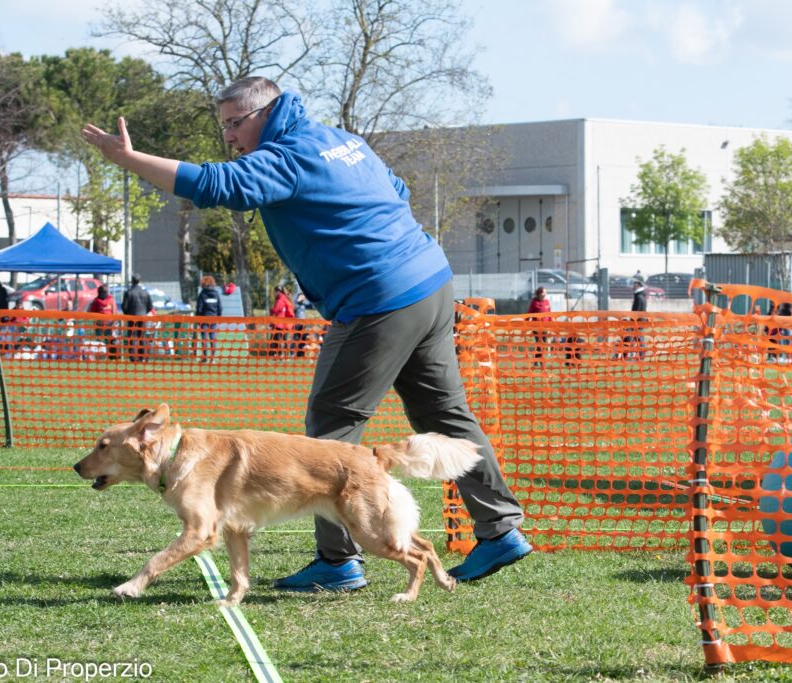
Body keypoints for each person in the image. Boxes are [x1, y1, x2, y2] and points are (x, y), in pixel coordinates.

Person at [82, 75, 529, 591]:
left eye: (232, 124)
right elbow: (399, 190)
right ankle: (500, 528)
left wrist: (130, 160)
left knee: (331, 424)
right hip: (430, 282)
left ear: (262, 114)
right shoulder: (344, 141)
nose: (228, 137)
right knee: (445, 413)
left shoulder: (286, 157)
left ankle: (339, 562)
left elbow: (215, 186)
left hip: (377, 299)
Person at [121, 274, 153, 362]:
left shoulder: (129, 292)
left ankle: (134, 357)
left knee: (132, 337)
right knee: (142, 336)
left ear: (132, 281)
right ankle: (143, 357)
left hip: (132, 317)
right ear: (139, 281)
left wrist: (128, 314)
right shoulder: (145, 293)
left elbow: (124, 307)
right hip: (143, 318)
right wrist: (143, 313)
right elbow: (150, 307)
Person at [195, 275, 223, 362]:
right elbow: (220, 307)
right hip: (214, 319)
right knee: (213, 339)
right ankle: (213, 358)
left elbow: (199, 308)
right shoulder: (216, 294)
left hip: (204, 320)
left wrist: (197, 319)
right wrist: (218, 317)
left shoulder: (202, 294)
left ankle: (204, 358)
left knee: (204, 339)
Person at [87, 284, 118, 360]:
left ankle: (110, 357)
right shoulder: (96, 301)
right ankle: (102, 357)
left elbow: (114, 312)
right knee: (101, 342)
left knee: (108, 342)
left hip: (108, 325)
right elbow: (91, 312)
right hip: (101, 325)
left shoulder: (110, 300)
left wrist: (113, 323)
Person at [527, 286, 552, 366]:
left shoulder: (547, 302)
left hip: (545, 326)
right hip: (536, 327)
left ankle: (536, 361)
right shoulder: (534, 302)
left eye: (545, 292)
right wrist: (525, 322)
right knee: (540, 343)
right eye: (543, 292)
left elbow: (549, 313)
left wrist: (551, 324)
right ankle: (540, 361)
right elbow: (529, 313)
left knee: (542, 344)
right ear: (539, 294)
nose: (545, 294)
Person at [268, 284, 295, 356]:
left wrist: (271, 310)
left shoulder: (280, 300)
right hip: (286, 324)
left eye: (275, 292)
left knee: (278, 340)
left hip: (280, 324)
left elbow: (275, 310)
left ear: (278, 291)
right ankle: (286, 355)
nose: (274, 294)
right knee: (284, 340)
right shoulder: (286, 299)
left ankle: (280, 355)